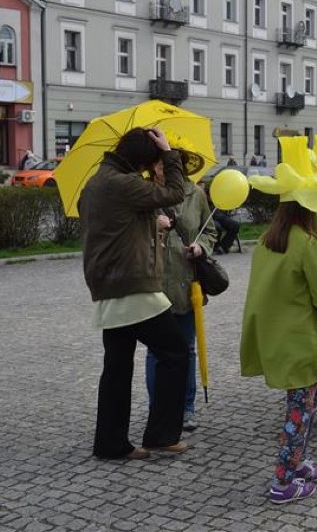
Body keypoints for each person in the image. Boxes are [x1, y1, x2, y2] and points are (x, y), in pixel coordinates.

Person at [78, 127, 190, 460]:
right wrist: (169, 152)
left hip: (109, 283)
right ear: (143, 159)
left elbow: (115, 226)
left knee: (117, 367)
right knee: (175, 352)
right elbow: (174, 192)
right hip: (131, 284)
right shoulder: (122, 184)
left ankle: (110, 444)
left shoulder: (97, 183)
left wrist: (144, 225)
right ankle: (161, 435)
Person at [240, 136, 317, 504]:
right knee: (300, 412)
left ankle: (297, 463)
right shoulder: (307, 244)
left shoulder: (269, 240)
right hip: (300, 341)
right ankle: (283, 481)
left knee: (304, 406)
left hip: (280, 338)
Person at [146, 165, 218, 432]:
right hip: (154, 284)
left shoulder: (195, 194)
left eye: (171, 161)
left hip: (188, 285)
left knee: (186, 348)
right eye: (159, 161)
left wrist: (202, 247)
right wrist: (152, 226)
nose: (164, 167)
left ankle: (187, 408)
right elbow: (129, 234)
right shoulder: (145, 193)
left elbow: (209, 231)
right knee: (156, 352)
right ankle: (159, 408)